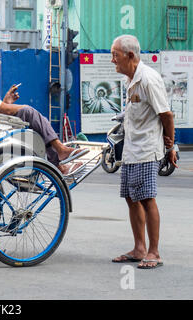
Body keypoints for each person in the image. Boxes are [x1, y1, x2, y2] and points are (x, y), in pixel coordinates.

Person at [0, 47, 87, 175]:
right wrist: (15, 107)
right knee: (29, 112)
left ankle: (59, 161)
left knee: (32, 118)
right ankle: (60, 153)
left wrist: (6, 102)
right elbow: (4, 110)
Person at [110, 35, 178, 269]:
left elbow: (166, 115)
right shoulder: (130, 80)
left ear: (130, 56)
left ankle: (154, 252)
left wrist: (171, 147)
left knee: (147, 198)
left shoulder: (148, 79)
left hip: (147, 149)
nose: (112, 60)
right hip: (131, 148)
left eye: (115, 55)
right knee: (131, 198)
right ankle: (139, 248)